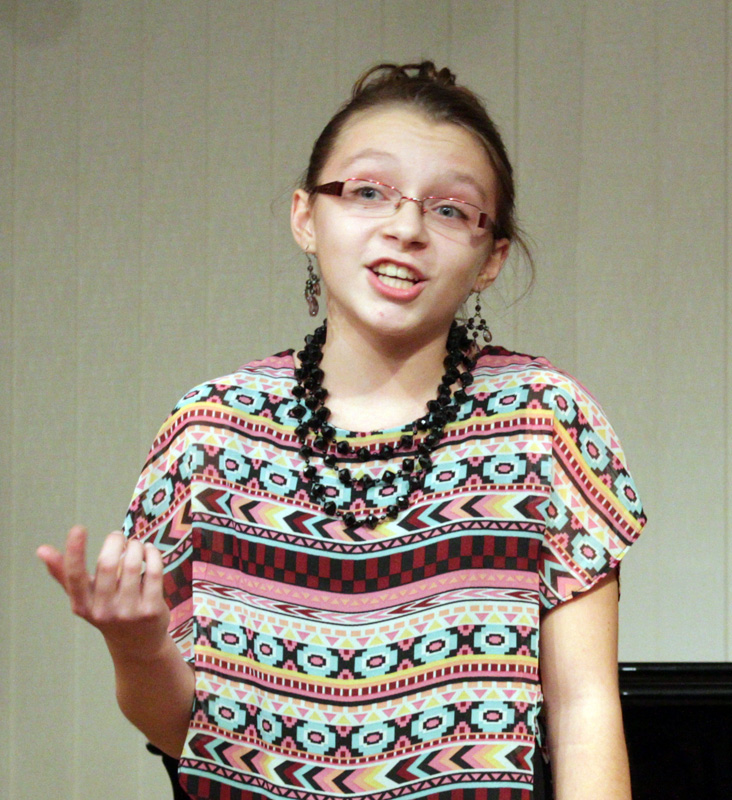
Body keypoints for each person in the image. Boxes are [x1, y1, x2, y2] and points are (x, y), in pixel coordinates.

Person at [38, 62, 647, 800]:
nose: (406, 228)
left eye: (451, 209)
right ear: (306, 216)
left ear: (492, 258)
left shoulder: (544, 423)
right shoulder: (210, 432)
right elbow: (183, 736)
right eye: (367, 191)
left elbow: (584, 713)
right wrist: (135, 646)